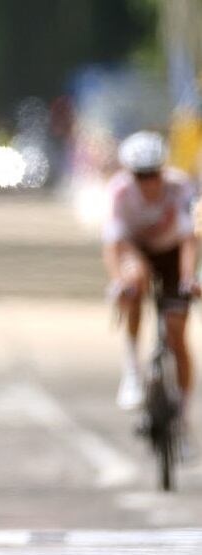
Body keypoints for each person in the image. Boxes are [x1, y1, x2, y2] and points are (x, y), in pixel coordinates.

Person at [103, 130, 198, 420]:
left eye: (153, 174)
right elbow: (113, 244)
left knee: (177, 332)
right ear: (130, 174)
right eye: (140, 176)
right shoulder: (119, 192)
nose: (149, 182)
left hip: (173, 253)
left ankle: (182, 414)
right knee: (134, 280)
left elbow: (189, 239)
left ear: (162, 170)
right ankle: (132, 367)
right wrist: (119, 280)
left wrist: (188, 278)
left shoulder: (180, 187)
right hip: (137, 250)